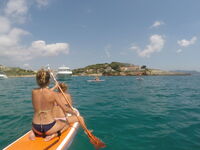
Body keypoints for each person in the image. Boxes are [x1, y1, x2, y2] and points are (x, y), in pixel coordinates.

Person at [29, 69, 76, 141]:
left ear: (37, 80)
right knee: (66, 123)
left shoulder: (33, 92)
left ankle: (33, 133)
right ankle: (54, 135)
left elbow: (43, 94)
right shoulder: (53, 94)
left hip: (35, 127)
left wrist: (54, 87)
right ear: (49, 81)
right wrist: (74, 112)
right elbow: (65, 109)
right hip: (49, 128)